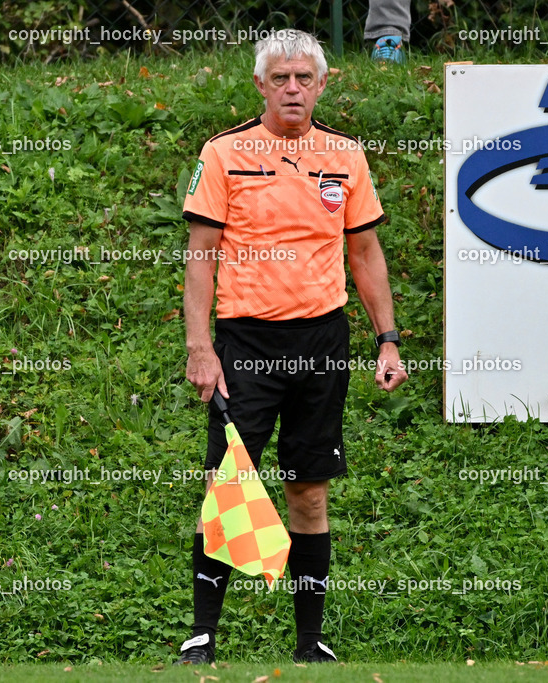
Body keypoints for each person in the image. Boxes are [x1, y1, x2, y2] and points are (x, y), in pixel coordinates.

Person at [177, 29, 409, 665]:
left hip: (322, 341)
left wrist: (387, 340)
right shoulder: (224, 154)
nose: (292, 89)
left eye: (304, 78)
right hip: (246, 342)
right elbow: (200, 257)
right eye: (280, 78)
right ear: (259, 85)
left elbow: (364, 252)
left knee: (309, 490)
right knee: (229, 487)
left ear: (323, 84)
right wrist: (201, 346)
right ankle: (202, 638)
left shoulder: (345, 155)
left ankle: (311, 644)